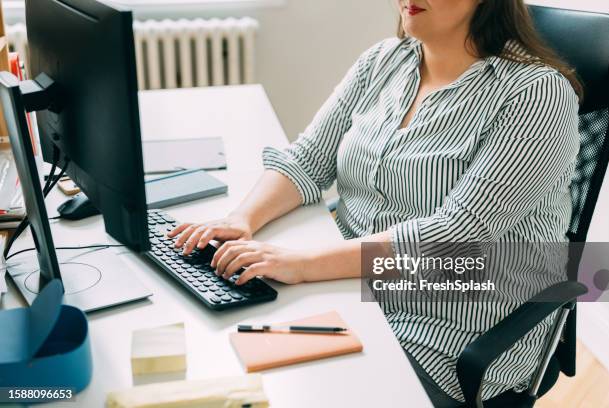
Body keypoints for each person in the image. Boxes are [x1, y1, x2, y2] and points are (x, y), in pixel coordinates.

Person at [168, 0, 582, 405]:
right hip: (348, 287)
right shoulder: (384, 61)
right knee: (226, 363)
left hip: (444, 328)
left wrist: (302, 264)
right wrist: (242, 219)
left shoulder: (537, 95)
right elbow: (307, 160)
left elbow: (454, 237)